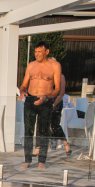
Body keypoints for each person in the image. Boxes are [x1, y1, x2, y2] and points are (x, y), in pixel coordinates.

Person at [19, 41, 61, 170]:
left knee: (43, 131)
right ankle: (27, 160)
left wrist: (46, 97)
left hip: (46, 100)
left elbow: (57, 89)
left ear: (46, 52)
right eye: (35, 52)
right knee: (28, 131)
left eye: (39, 52)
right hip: (31, 99)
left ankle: (41, 161)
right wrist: (22, 91)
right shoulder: (31, 65)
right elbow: (24, 83)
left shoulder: (55, 66)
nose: (36, 54)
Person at [49, 68, 72, 155]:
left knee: (55, 125)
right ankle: (40, 147)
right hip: (46, 101)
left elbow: (61, 94)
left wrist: (54, 104)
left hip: (56, 102)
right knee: (44, 124)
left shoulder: (60, 76)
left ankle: (65, 144)